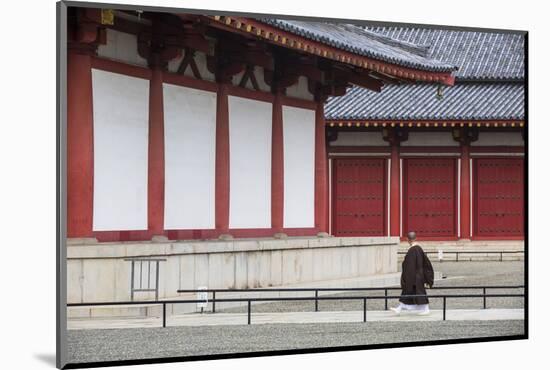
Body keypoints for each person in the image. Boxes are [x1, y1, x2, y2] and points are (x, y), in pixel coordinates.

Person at [390, 231, 434, 315]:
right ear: (416, 238)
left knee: (416, 293)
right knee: (411, 293)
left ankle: (426, 309)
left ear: (408, 240)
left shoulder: (412, 250)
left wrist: (407, 277)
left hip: (414, 276)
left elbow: (409, 265)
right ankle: (399, 308)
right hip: (419, 276)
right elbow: (426, 263)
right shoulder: (419, 249)